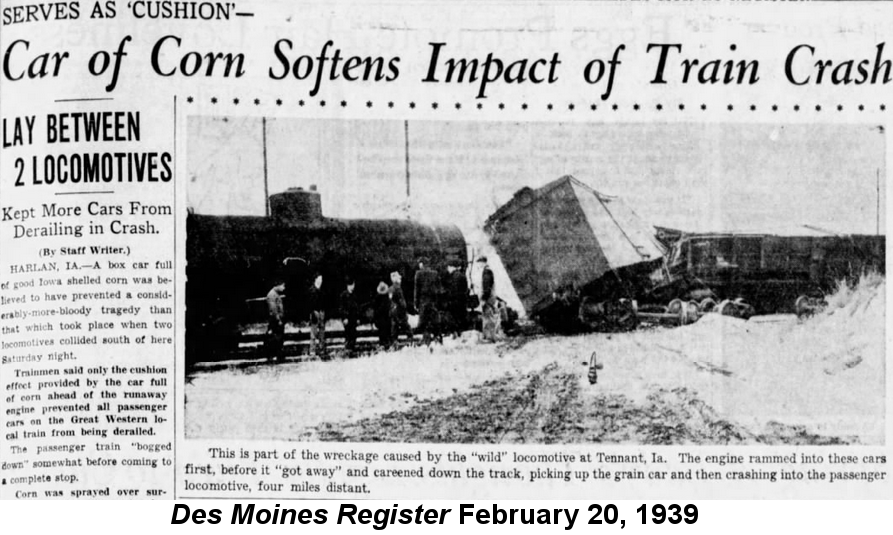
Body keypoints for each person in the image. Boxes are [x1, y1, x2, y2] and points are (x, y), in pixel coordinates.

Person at [414, 258, 442, 346]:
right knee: (434, 320)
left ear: (422, 264)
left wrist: (416, 303)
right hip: (433, 301)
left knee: (424, 321)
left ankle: (426, 339)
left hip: (423, 300)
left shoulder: (418, 273)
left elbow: (417, 290)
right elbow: (439, 289)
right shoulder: (435, 273)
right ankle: (437, 338)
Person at [478, 257, 501, 342]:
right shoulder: (488, 271)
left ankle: (490, 337)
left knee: (488, 318)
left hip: (488, 298)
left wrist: (484, 299)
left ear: (483, 262)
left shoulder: (486, 272)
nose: (479, 265)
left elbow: (487, 287)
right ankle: (490, 337)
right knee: (489, 317)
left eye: (479, 263)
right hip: (490, 297)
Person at [264, 281, 286, 361]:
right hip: (275, 321)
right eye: (282, 286)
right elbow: (273, 310)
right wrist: (278, 319)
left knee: (278, 338)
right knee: (275, 338)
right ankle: (273, 355)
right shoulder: (271, 295)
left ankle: (277, 354)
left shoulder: (276, 294)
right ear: (278, 285)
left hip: (277, 320)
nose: (284, 288)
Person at [446, 262, 468, 337]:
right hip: (462, 300)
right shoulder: (462, 275)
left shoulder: (453, 276)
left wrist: (449, 298)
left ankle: (455, 334)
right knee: (460, 318)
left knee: (454, 318)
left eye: (448, 267)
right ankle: (460, 334)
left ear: (452, 267)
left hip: (455, 301)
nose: (448, 270)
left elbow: (453, 290)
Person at [389, 271, 411, 343]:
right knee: (406, 326)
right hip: (400, 311)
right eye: (399, 278)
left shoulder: (390, 288)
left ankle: (394, 341)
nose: (400, 279)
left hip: (393, 310)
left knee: (394, 327)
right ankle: (410, 340)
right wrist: (404, 308)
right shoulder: (398, 288)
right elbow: (402, 302)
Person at [308, 273, 326, 358]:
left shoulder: (322, 291)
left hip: (321, 312)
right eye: (319, 279)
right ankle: (312, 351)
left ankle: (321, 349)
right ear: (315, 279)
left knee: (322, 333)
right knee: (313, 333)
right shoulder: (311, 290)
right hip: (314, 312)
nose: (321, 281)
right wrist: (312, 313)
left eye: (321, 279)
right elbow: (309, 303)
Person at [340, 277, 360, 354]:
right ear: (348, 286)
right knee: (348, 333)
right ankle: (348, 348)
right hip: (347, 318)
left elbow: (357, 307)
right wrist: (344, 318)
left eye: (353, 285)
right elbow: (342, 308)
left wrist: (358, 318)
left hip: (353, 317)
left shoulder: (354, 295)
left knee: (354, 333)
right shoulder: (343, 295)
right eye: (351, 285)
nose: (353, 287)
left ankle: (352, 349)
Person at [374, 281, 392, 348]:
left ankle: (383, 344)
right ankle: (387, 344)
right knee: (386, 332)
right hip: (385, 318)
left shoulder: (377, 298)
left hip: (381, 318)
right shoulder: (387, 298)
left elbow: (375, 309)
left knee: (382, 333)